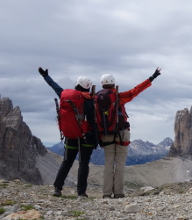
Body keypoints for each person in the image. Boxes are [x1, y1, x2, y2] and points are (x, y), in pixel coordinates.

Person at [97, 68, 161, 198]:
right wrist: (151, 78)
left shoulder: (96, 98)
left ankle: (106, 193)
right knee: (120, 164)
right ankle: (119, 193)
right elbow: (135, 91)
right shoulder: (118, 96)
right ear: (113, 84)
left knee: (108, 164)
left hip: (105, 134)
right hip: (122, 133)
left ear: (102, 84)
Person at [39, 67, 97, 198]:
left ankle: (57, 188)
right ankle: (81, 193)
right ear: (88, 87)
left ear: (76, 85)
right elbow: (92, 120)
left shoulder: (64, 94)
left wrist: (45, 76)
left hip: (70, 135)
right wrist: (95, 138)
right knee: (83, 163)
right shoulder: (89, 99)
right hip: (86, 136)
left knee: (67, 161)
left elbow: (54, 86)